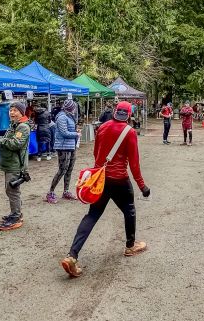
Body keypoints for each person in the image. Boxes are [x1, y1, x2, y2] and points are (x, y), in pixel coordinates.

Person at [60, 102, 150, 278]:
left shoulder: (102, 127)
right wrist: (142, 186)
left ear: (115, 112)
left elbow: (96, 153)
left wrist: (100, 171)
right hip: (120, 180)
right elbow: (134, 163)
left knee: (92, 215)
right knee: (129, 210)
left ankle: (72, 255)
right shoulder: (130, 132)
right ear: (129, 115)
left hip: (101, 179)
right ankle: (130, 246)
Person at [0, 101, 31, 231]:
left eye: (15, 110)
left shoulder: (23, 127)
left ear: (21, 112)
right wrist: (1, 139)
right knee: (10, 190)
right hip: (10, 163)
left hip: (15, 165)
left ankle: (16, 217)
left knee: (13, 191)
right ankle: (15, 213)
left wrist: (1, 141)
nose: (12, 113)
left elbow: (16, 143)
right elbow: (11, 139)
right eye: (10, 110)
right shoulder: (14, 125)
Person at [46, 99, 80, 203]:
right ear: (71, 108)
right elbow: (64, 132)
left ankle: (66, 191)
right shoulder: (62, 117)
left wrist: (75, 132)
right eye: (74, 107)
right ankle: (50, 192)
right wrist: (76, 134)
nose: (75, 109)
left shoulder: (69, 116)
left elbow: (68, 130)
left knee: (69, 169)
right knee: (62, 170)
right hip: (63, 147)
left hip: (71, 146)